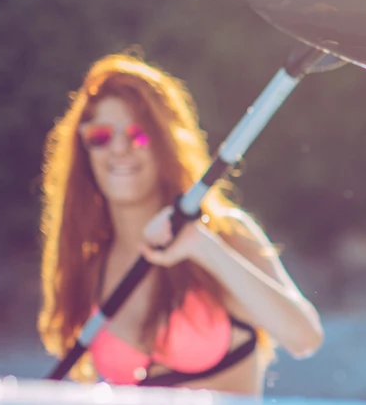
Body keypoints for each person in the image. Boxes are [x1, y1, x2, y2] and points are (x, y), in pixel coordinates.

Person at [37, 52, 323, 393]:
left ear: (165, 143)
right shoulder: (89, 268)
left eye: (137, 134)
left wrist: (202, 247)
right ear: (85, 148)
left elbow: (304, 338)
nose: (119, 149)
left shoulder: (225, 234)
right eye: (100, 136)